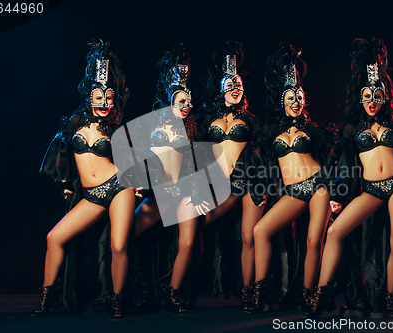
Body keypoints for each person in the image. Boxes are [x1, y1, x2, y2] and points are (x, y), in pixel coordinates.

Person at [314, 37, 393, 318]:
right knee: (334, 232)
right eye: (367, 96)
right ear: (360, 95)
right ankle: (320, 294)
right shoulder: (352, 128)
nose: (372, 102)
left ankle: (390, 299)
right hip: (371, 189)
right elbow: (339, 162)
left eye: (377, 96)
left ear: (384, 97)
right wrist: (334, 195)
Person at [35, 39, 133, 318]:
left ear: (114, 100)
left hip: (119, 187)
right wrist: (66, 185)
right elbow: (59, 152)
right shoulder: (75, 123)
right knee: (54, 238)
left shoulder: (115, 127)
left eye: (109, 98)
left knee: (118, 245)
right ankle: (46, 300)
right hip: (91, 196)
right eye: (99, 97)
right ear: (89, 96)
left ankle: (117, 300)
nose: (104, 103)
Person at [249, 42, 333, 316]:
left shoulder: (312, 128)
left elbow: (336, 152)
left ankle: (310, 296)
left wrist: (340, 193)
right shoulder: (270, 130)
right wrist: (258, 187)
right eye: (290, 99)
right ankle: (259, 292)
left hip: (319, 184)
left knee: (313, 241)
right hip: (294, 191)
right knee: (260, 231)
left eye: (299, 98)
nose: (295, 103)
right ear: (280, 102)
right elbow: (257, 160)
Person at [132, 44, 208, 313]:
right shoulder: (150, 123)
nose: (186, 106)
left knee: (188, 242)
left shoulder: (194, 127)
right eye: (180, 101)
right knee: (129, 233)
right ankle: (136, 288)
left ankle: (174, 292)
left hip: (187, 189)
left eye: (189, 101)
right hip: (160, 193)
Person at [195, 42, 266, 312]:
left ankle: (249, 291)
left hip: (246, 182)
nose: (235, 90)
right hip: (216, 184)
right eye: (230, 85)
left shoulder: (251, 121)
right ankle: (189, 283)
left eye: (239, 86)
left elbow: (261, 154)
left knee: (248, 236)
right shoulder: (206, 118)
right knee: (194, 225)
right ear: (220, 88)